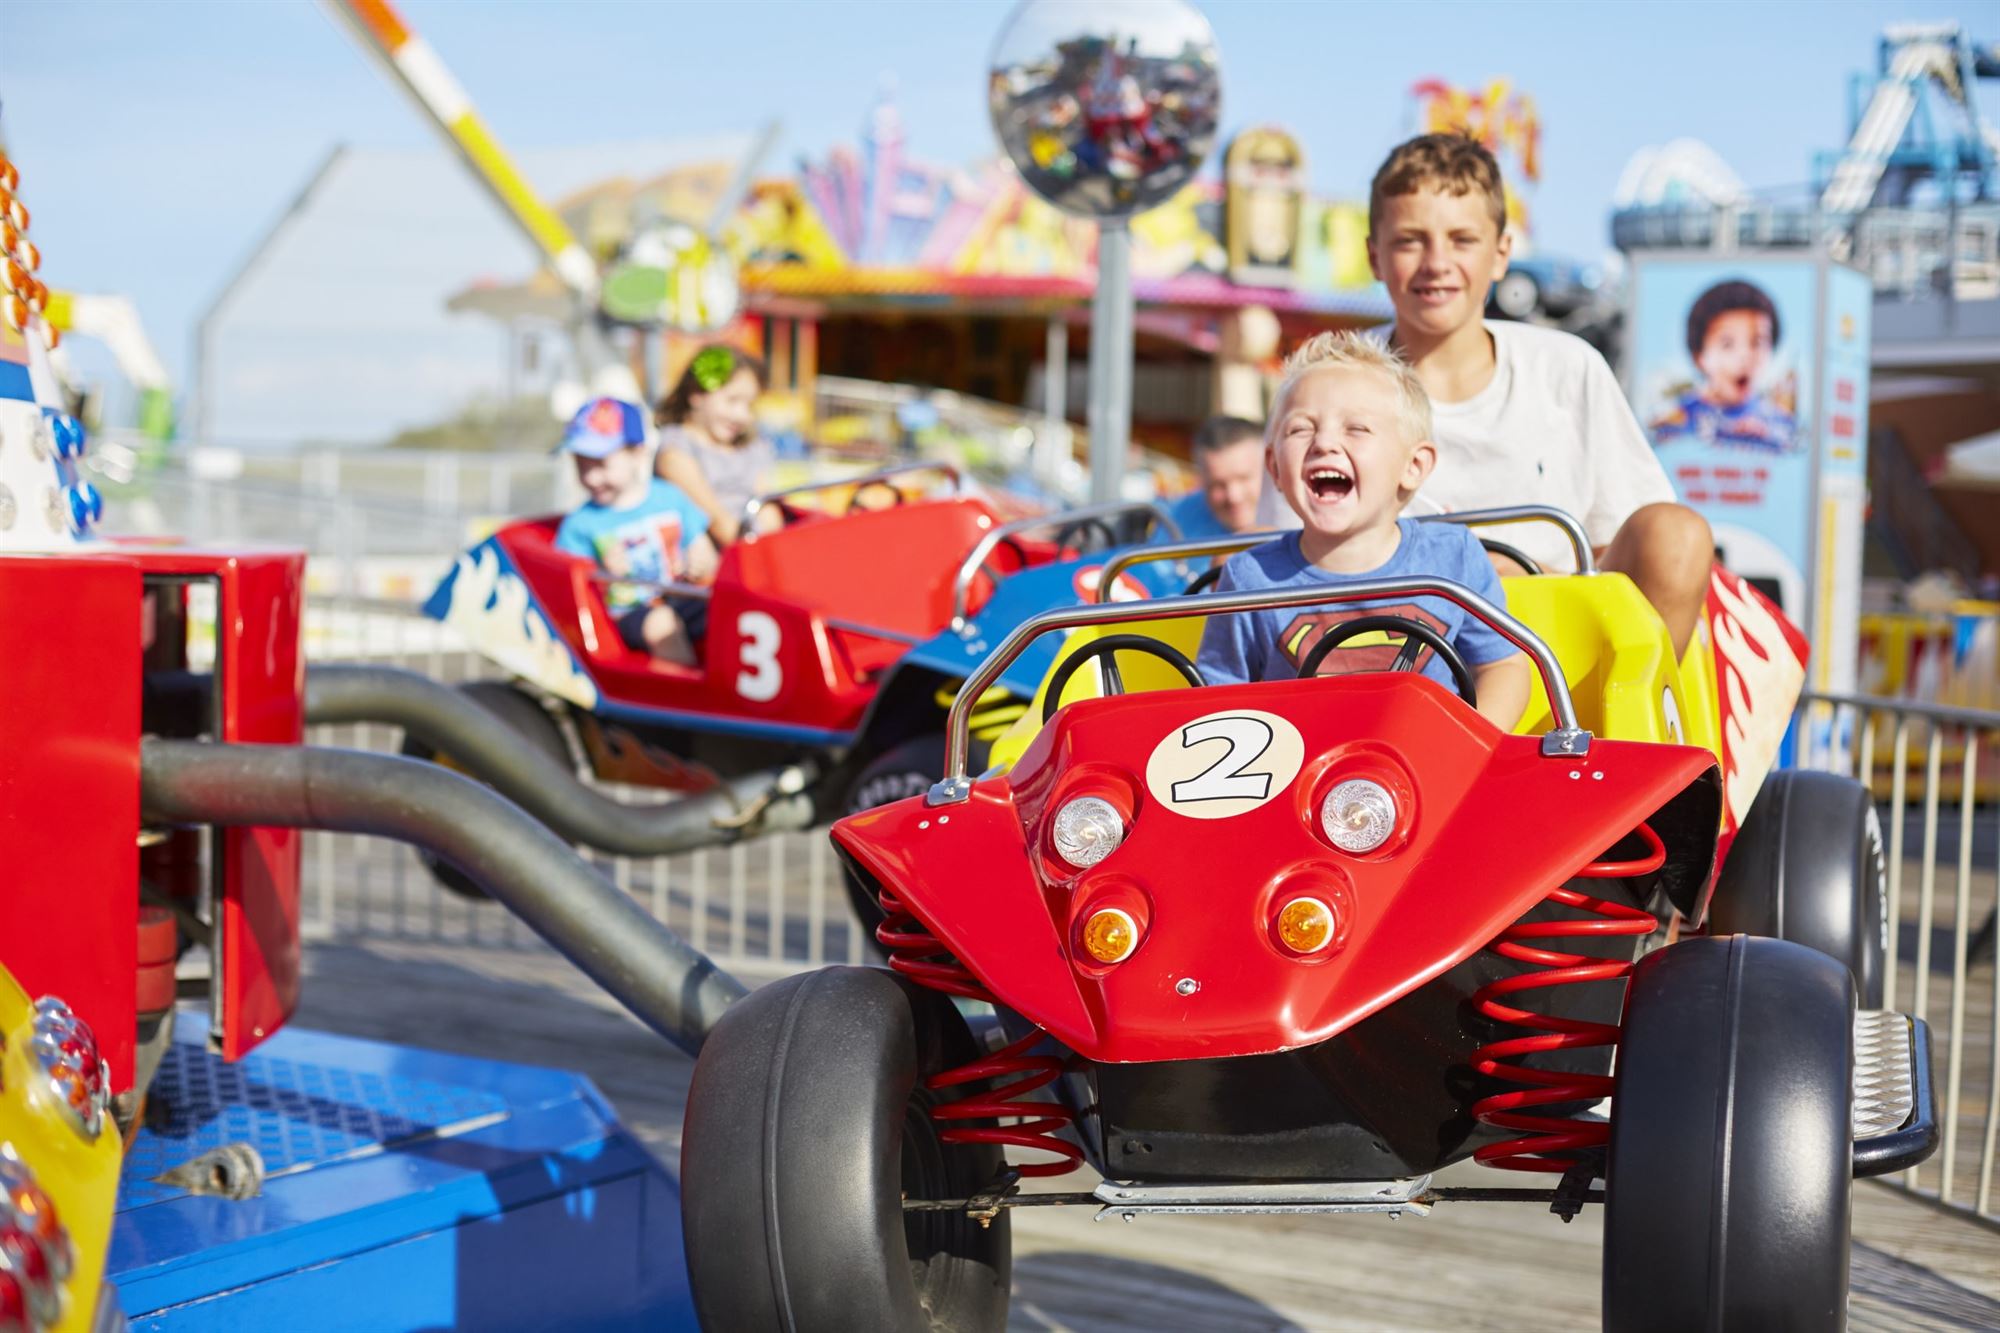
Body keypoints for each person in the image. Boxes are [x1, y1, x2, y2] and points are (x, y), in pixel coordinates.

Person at [1362, 132, 1713, 658]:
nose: (1437, 262)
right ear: (1375, 256)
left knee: (1677, 531)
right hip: (1390, 648)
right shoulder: (1336, 379)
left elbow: (1621, 544)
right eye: (1411, 240)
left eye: (1462, 240)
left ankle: (1640, 731)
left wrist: (1524, 578)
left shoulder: (1567, 369)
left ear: (1502, 253)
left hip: (1557, 651)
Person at [1198, 332, 1530, 733]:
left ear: (1413, 466)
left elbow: (1503, 665)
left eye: (1356, 428)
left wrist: (1469, 744)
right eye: (1301, 429)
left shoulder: (1453, 557)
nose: (1324, 443)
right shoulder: (1249, 578)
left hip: (1429, 770)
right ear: (1275, 469)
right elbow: (1216, 698)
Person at [554, 396, 717, 667]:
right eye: (581, 465)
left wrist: (698, 563)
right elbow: (568, 589)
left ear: (637, 454)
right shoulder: (580, 523)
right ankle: (681, 696)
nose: (591, 477)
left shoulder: (670, 497)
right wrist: (603, 575)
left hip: (681, 596)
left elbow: (704, 551)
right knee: (661, 623)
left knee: (729, 611)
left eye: (601, 463)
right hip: (628, 613)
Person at [1650, 279, 1797, 451]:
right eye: (1727, 344)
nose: (1745, 356)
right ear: (1699, 356)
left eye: (1757, 342)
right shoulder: (1675, 420)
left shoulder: (1781, 424)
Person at [653, 343, 773, 546]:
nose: (742, 415)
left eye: (749, 405)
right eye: (732, 401)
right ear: (696, 394)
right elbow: (717, 521)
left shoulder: (751, 447)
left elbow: (768, 508)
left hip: (756, 545)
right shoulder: (676, 450)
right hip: (714, 556)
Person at [1165, 415, 1268, 538]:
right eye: (1218, 484)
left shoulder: (1293, 517)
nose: (1234, 497)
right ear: (1201, 481)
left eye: (1243, 479)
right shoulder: (1181, 517)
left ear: (1269, 468)